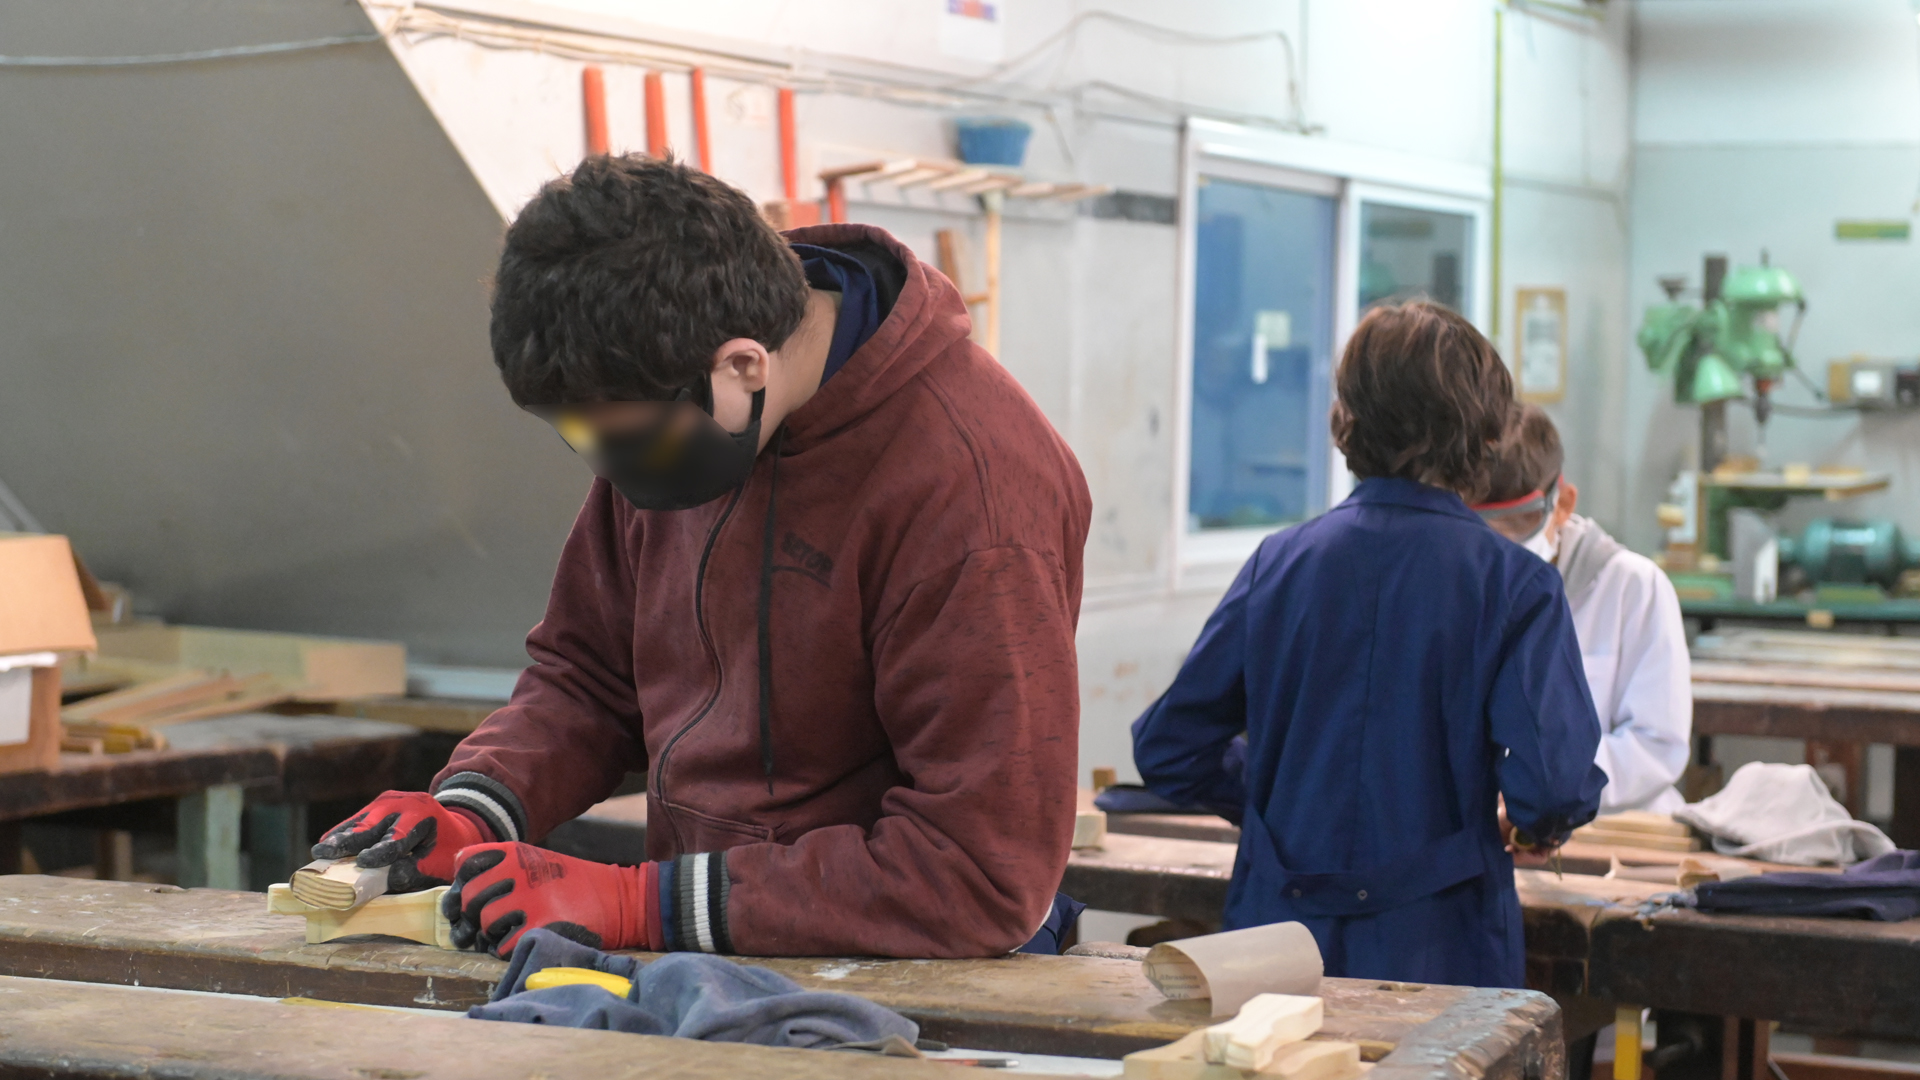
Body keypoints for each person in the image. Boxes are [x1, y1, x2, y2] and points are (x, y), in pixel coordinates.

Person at [311, 155, 1092, 959]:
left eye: (624, 439)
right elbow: (593, 678)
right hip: (717, 940)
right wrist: (478, 805)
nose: (607, 466)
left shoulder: (973, 494)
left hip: (911, 973)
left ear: (743, 365)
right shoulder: (678, 397)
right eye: (578, 434)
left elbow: (979, 873)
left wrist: (637, 902)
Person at [1130, 301, 1605, 989]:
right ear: (1485, 432)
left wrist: (1279, 798)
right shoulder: (1513, 585)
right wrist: (1536, 828)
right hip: (1441, 948)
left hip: (1276, 938)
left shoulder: (1277, 564)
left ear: (1346, 420)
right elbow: (1551, 789)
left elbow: (1168, 747)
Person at [1474, 405, 1691, 814]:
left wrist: (1540, 789)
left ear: (1563, 505)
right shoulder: (1460, 587)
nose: (1501, 546)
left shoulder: (1633, 588)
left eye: (1519, 522)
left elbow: (1656, 745)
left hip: (1614, 825)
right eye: (1481, 526)